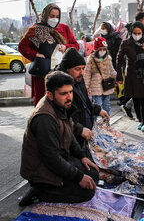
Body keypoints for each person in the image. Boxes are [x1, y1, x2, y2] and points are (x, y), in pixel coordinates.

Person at [19, 71, 99, 206]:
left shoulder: (61, 105)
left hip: (58, 159)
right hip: (41, 171)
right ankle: (39, 192)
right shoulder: (44, 118)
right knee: (87, 192)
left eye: (70, 92)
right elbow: (51, 159)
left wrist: (81, 156)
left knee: (93, 174)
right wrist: (78, 177)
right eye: (64, 93)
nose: (69, 97)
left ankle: (56, 186)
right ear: (50, 95)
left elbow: (70, 130)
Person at [56, 47, 110, 149]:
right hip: (71, 141)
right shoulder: (60, 85)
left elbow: (85, 102)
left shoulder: (78, 79)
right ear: (67, 69)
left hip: (84, 135)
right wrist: (79, 130)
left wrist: (97, 110)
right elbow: (60, 117)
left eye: (83, 68)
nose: (81, 72)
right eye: (77, 69)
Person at [18, 3, 68, 106]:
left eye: (57, 17)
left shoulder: (54, 32)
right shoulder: (35, 29)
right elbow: (22, 46)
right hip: (41, 71)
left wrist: (63, 48)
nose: (54, 19)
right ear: (45, 16)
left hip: (56, 70)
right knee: (41, 99)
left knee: (56, 99)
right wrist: (36, 54)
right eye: (52, 16)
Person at [116, 22, 144, 132]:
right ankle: (140, 120)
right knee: (136, 99)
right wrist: (119, 76)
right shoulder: (126, 43)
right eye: (134, 33)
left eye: (139, 33)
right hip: (132, 74)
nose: (137, 35)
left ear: (143, 32)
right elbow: (119, 58)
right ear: (131, 33)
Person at [120, 11, 144, 118]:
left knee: (143, 95)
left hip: (143, 72)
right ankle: (138, 115)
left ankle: (141, 116)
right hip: (133, 72)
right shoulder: (130, 36)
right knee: (138, 95)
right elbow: (123, 54)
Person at [84, 37, 117, 116]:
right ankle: (95, 124)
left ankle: (106, 124)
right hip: (96, 87)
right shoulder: (91, 59)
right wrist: (87, 87)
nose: (102, 51)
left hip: (106, 86)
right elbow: (87, 74)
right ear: (96, 50)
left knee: (107, 106)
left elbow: (112, 70)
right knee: (98, 106)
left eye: (104, 49)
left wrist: (117, 78)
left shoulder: (108, 58)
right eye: (100, 50)